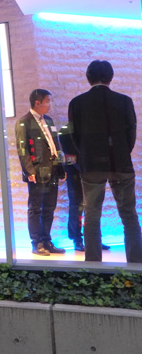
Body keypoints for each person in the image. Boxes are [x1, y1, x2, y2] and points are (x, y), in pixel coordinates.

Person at [68, 60, 142, 263]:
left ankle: (93, 267)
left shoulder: (77, 103)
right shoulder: (124, 101)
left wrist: (86, 154)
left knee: (92, 216)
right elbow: (131, 134)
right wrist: (121, 153)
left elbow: (74, 136)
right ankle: (136, 265)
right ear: (111, 77)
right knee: (129, 215)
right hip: (121, 163)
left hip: (91, 165)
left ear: (88, 77)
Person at [15, 89, 65, 256]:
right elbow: (22, 149)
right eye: (47, 101)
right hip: (36, 172)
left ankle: (47, 240)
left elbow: (56, 145)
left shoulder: (48, 120)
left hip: (52, 170)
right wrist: (29, 170)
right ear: (37, 103)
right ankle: (36, 243)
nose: (49, 105)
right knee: (35, 208)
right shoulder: (24, 122)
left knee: (49, 207)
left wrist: (61, 167)